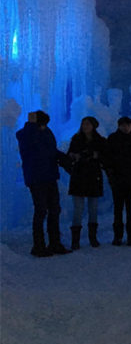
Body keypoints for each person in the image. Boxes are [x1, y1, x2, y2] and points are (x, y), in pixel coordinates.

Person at [16, 110, 71, 257]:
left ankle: (54, 243)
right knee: (41, 210)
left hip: (50, 176)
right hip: (36, 177)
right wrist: (31, 125)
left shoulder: (46, 132)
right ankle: (38, 246)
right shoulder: (26, 133)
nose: (44, 126)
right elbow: (27, 140)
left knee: (54, 209)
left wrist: (64, 158)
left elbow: (50, 151)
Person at [67, 116, 107, 249]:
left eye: (88, 124)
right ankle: (75, 240)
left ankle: (92, 238)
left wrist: (96, 155)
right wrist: (75, 156)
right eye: (83, 124)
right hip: (79, 176)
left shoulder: (99, 140)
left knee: (93, 208)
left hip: (93, 176)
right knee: (78, 209)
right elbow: (69, 155)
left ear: (93, 126)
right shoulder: (76, 139)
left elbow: (106, 157)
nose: (85, 126)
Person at [105, 116, 131, 246]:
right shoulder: (113, 139)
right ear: (119, 126)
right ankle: (119, 236)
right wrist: (111, 175)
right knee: (119, 208)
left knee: (130, 208)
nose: (125, 127)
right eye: (123, 125)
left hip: (130, 179)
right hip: (118, 179)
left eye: (127, 125)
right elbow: (108, 159)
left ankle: (130, 235)